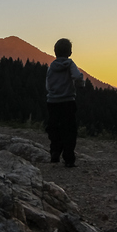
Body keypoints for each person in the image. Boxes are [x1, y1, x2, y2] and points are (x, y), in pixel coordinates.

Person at [45, 38, 84, 167]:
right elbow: (77, 76)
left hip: (52, 102)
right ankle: (68, 158)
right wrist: (80, 84)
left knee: (54, 127)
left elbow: (48, 83)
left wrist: (52, 93)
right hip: (68, 101)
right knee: (69, 129)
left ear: (55, 52)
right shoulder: (70, 64)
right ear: (70, 52)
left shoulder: (51, 67)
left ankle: (55, 151)